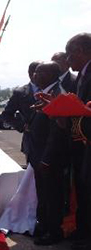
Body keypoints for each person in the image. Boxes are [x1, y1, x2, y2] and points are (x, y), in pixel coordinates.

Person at [28, 62, 68, 246]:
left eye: (39, 72)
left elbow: (56, 132)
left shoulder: (57, 94)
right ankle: (43, 227)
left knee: (52, 196)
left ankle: (54, 232)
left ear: (50, 74)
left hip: (49, 157)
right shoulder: (47, 92)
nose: (34, 74)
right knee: (43, 195)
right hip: (39, 155)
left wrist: (47, 158)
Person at [65, 32, 91, 250]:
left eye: (69, 54)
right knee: (83, 188)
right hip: (81, 143)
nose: (67, 60)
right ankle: (82, 231)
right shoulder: (80, 76)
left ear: (81, 51)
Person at [0, 61, 41, 162]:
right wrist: (22, 126)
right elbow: (6, 115)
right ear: (31, 73)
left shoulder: (53, 89)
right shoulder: (20, 93)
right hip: (31, 141)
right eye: (41, 71)